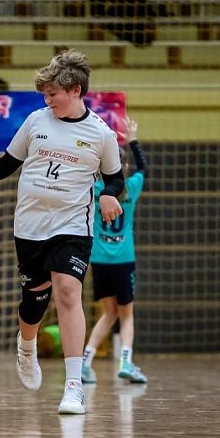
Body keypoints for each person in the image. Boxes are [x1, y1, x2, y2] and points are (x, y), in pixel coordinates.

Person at [0, 50, 124, 414]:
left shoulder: (101, 134)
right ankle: (26, 346)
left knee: (68, 291)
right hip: (30, 226)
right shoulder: (36, 121)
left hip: (73, 225)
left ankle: (73, 386)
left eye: (52, 93)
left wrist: (108, 194)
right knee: (34, 300)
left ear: (74, 90)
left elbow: (115, 178)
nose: (47, 100)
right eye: (44, 94)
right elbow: (6, 164)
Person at [81, 116, 148, 385]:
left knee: (109, 313)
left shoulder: (93, 189)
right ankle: (126, 362)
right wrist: (133, 140)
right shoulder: (131, 187)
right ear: (124, 167)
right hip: (123, 259)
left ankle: (85, 362)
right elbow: (144, 167)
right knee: (126, 313)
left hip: (99, 259)